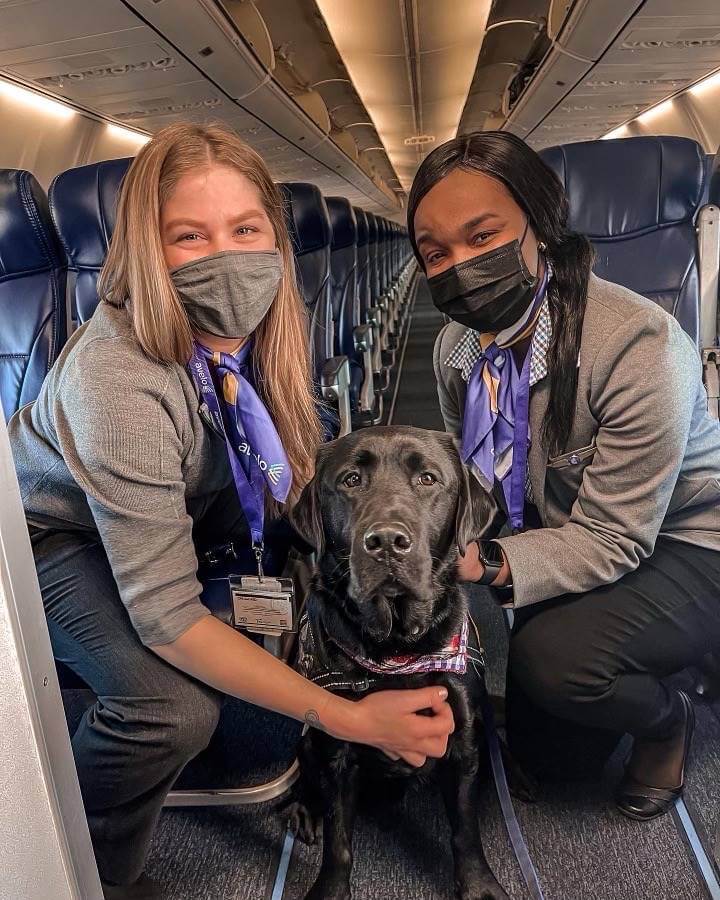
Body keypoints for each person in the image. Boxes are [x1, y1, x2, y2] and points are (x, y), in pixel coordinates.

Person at [9, 122, 454, 900]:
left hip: (182, 497)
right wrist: (344, 719)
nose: (225, 256)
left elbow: (283, 476)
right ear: (148, 252)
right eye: (189, 235)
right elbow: (168, 619)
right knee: (167, 708)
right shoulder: (117, 382)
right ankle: (73, 861)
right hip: (43, 536)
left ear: (275, 242)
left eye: (245, 229)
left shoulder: (263, 333)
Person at [407, 130, 720, 821]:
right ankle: (637, 652)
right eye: (436, 253)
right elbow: (484, 479)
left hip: (689, 541)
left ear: (540, 227)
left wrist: (479, 562)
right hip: (571, 534)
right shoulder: (458, 347)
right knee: (556, 764)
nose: (461, 264)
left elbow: (615, 539)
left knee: (557, 664)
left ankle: (669, 719)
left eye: (482, 235)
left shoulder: (636, 343)